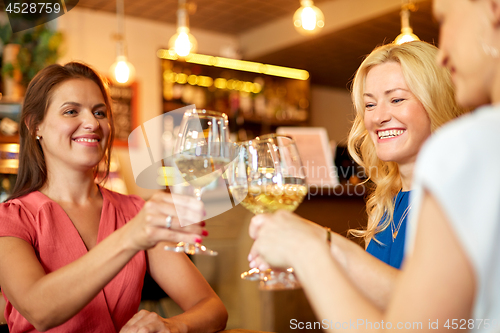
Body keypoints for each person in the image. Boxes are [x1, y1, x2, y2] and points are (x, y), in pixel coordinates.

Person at [248, 0, 500, 330]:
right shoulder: (384, 205)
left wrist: (313, 250)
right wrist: (323, 251)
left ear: (435, 99)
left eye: (396, 99)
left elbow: (422, 324)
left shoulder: (465, 159)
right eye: (369, 104)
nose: (378, 116)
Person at [0, 62, 227, 333]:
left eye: (99, 112)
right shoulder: (11, 218)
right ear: (35, 125)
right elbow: (39, 310)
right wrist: (131, 236)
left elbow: (212, 307)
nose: (93, 123)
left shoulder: (134, 212)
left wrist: (173, 326)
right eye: (71, 111)